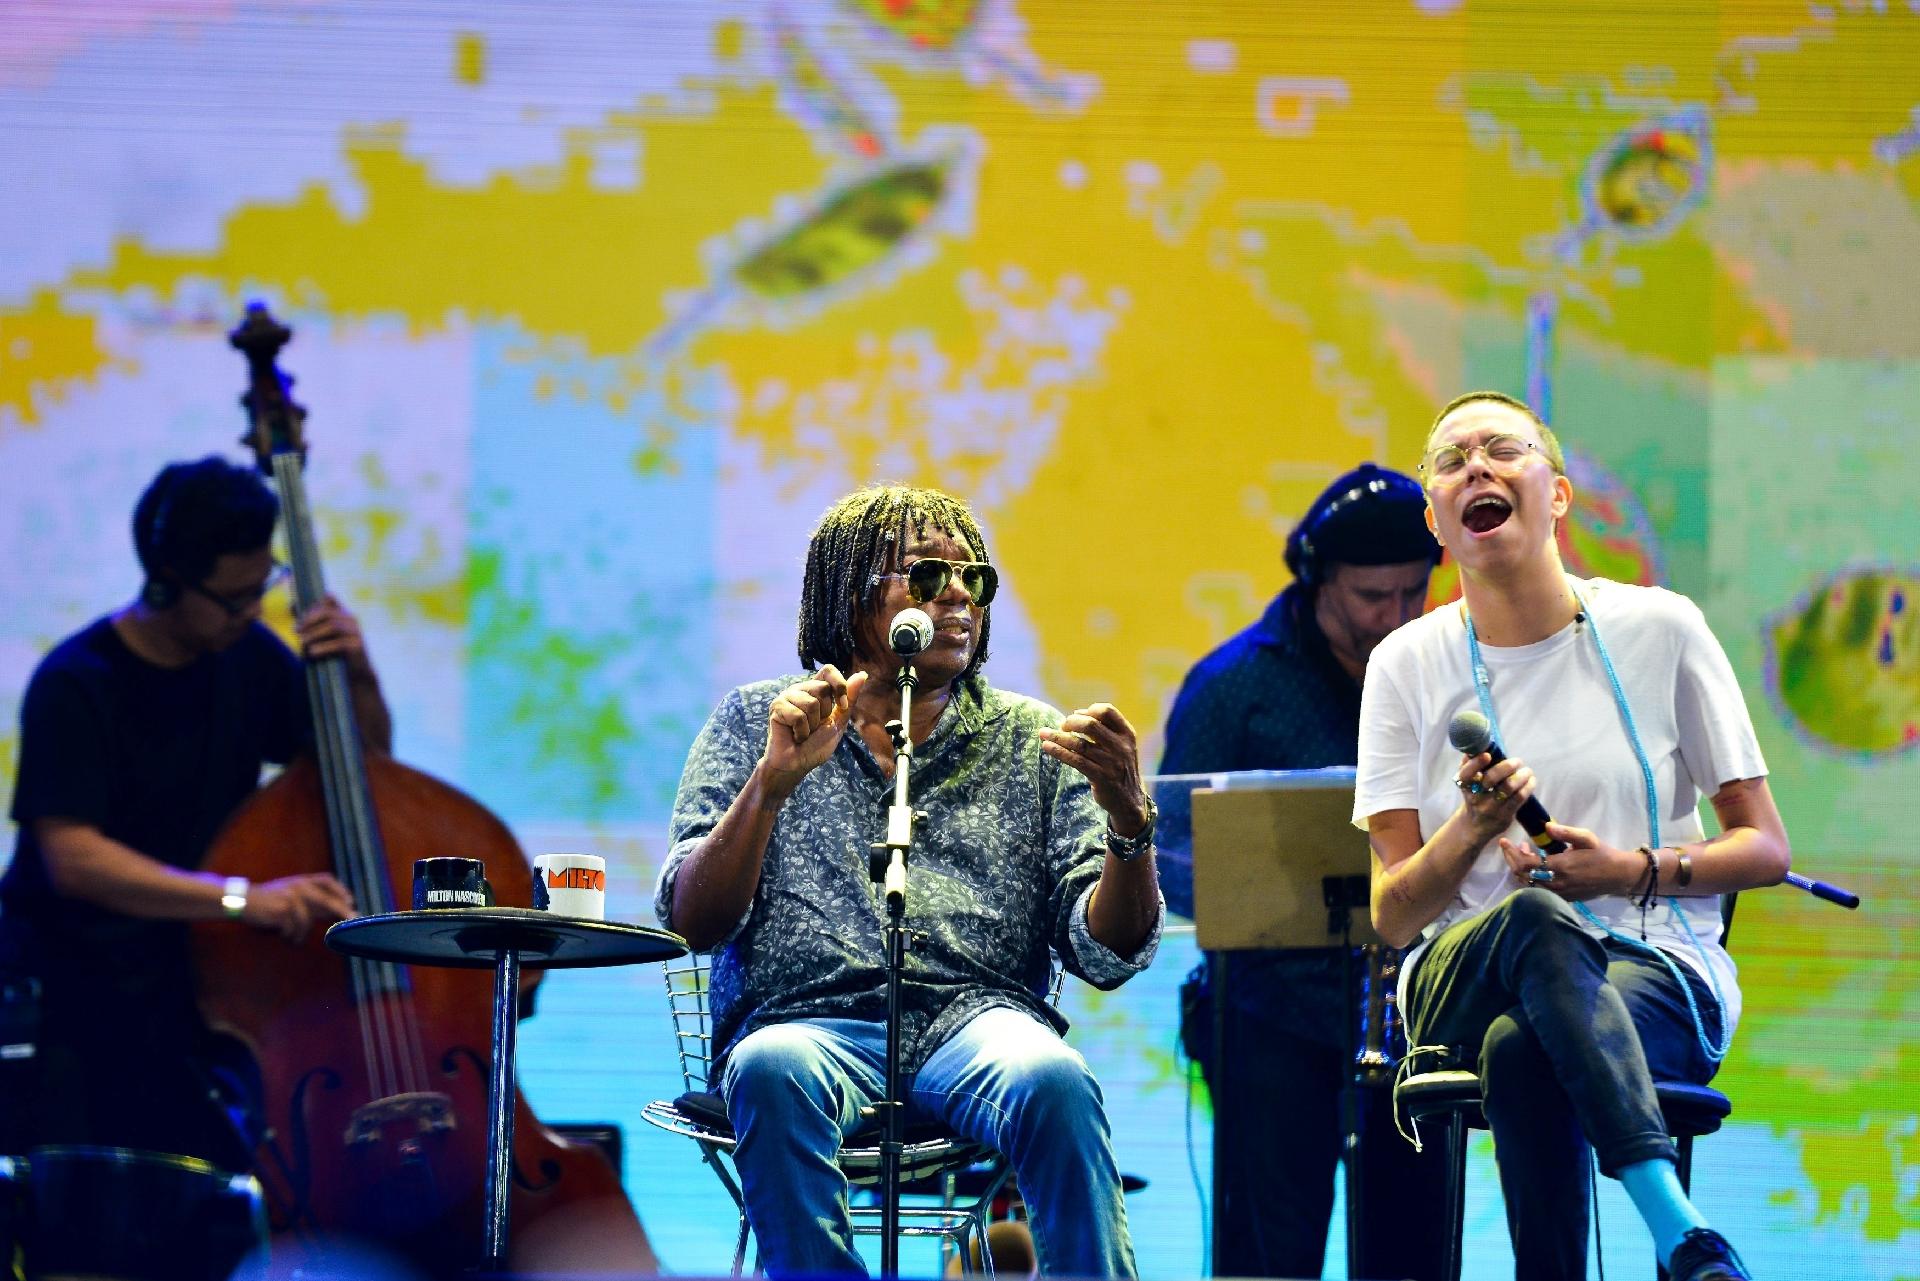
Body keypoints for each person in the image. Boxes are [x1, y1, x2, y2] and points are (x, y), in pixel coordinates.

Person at [658, 484, 1162, 1278]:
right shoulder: (759, 720)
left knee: (1056, 1079)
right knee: (768, 1067)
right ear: (850, 597)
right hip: (809, 1021)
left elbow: (1107, 952)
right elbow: (694, 921)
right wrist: (770, 785)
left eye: (975, 579)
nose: (959, 594)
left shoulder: (1037, 739)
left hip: (974, 1022)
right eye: (928, 576)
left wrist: (1130, 827)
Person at [1356, 391, 1790, 1281]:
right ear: (1440, 522)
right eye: (1451, 460)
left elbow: (1765, 850)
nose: (1476, 466)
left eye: (1503, 449)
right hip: (1459, 977)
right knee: (1530, 921)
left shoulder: (1662, 630)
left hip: (1657, 969)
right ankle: (1677, 1229)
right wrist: (1473, 828)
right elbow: (1393, 917)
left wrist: (1627, 870)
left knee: (1527, 1049)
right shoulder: (1404, 663)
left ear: (1556, 495)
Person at [0, 456, 381, 1168]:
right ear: (164, 582)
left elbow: (360, 775)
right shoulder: (77, 683)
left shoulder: (251, 658)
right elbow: (73, 858)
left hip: (191, 990)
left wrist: (355, 673)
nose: (251, 613)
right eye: (234, 599)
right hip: (76, 1001)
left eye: (259, 588)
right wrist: (246, 899)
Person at [1158, 462, 1449, 1279]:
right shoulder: (1232, 688)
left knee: (1413, 1253)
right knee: (1266, 1258)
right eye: (1370, 598)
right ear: (1318, 578)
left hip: (1414, 1018)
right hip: (1268, 1019)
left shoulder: (1445, 676)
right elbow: (1173, 865)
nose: (1394, 618)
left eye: (1411, 594)